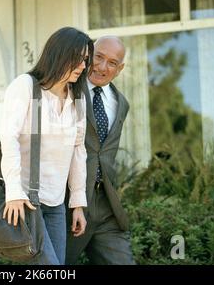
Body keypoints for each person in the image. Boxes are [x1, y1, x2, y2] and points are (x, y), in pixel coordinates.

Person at [0, 27, 93, 265]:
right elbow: (8, 137)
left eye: (85, 59)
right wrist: (13, 193)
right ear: (59, 54)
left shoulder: (78, 98)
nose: (83, 66)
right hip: (26, 200)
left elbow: (78, 151)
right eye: (78, 58)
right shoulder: (26, 86)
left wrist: (78, 204)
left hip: (56, 203)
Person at [65, 36, 136, 265]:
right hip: (67, 203)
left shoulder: (120, 102)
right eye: (98, 57)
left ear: (120, 68)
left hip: (106, 205)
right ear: (87, 55)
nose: (103, 67)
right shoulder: (66, 91)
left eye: (112, 63)